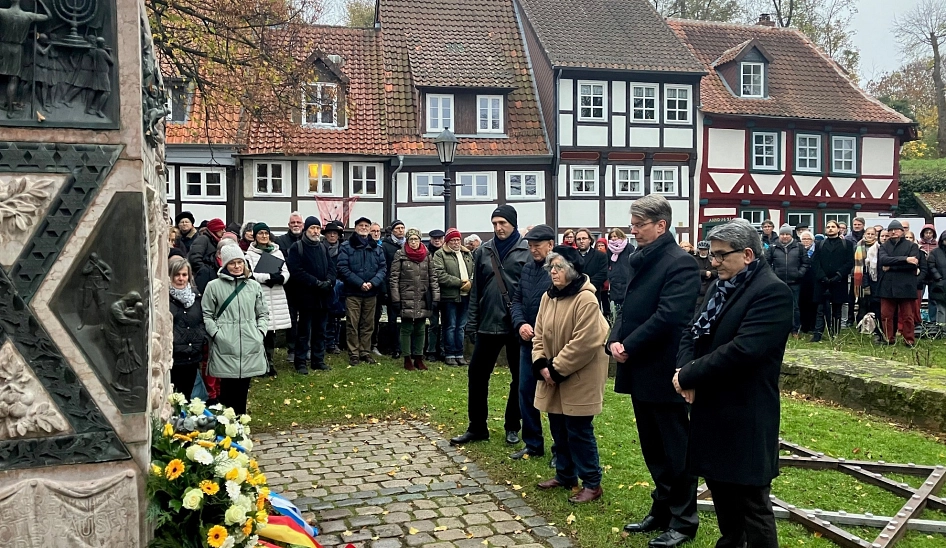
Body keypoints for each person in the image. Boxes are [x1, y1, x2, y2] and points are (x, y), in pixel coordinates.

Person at [674, 219, 792, 548]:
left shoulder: (771, 292)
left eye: (721, 256)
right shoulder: (721, 286)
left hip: (745, 411)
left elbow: (744, 350)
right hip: (711, 408)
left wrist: (688, 375)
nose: (714, 262)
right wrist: (684, 369)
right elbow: (693, 330)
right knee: (721, 490)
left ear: (748, 254)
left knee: (751, 499)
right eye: (711, 255)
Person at [608, 195, 700, 547]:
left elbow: (669, 316)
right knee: (651, 445)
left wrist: (628, 345)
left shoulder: (680, 263)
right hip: (639, 367)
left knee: (675, 448)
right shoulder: (641, 258)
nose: (632, 231)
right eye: (631, 224)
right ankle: (661, 508)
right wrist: (614, 339)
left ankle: (683, 520)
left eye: (638, 224)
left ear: (661, 225)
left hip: (663, 368)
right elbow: (627, 308)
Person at [533, 246, 610, 504]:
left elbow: (585, 342)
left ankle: (592, 483)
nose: (553, 273)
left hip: (579, 375)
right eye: (551, 268)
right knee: (558, 427)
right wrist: (541, 363)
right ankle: (565, 475)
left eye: (558, 268)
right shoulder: (549, 297)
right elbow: (539, 334)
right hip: (552, 375)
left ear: (573, 271)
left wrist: (556, 369)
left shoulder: (586, 298)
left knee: (578, 430)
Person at [451, 205, 529, 447]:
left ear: (513, 223)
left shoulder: (526, 250)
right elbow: (476, 291)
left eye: (502, 223)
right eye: (494, 223)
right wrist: (471, 324)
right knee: (476, 374)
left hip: (516, 324)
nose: (498, 228)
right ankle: (477, 427)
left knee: (519, 377)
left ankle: (512, 426)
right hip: (488, 322)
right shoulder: (484, 251)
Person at [202, 245, 268, 415]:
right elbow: (207, 314)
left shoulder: (253, 286)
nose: (237, 266)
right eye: (232, 263)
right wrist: (217, 334)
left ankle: (241, 424)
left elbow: (262, 312)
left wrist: (260, 332)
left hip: (249, 343)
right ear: (225, 265)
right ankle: (228, 426)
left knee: (243, 389)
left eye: (240, 262)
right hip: (226, 344)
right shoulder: (213, 286)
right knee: (227, 390)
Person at [510, 224, 555, 461]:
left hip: (552, 344)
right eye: (530, 246)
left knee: (557, 399)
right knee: (525, 392)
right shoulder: (528, 268)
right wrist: (520, 324)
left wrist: (540, 329)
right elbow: (517, 300)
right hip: (528, 342)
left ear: (550, 245)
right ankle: (533, 443)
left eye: (537, 246)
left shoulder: (559, 270)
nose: (533, 250)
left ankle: (561, 450)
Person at [286, 216, 336, 373]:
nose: (315, 231)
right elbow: (296, 271)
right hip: (306, 297)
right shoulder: (297, 247)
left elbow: (332, 268)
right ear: (305, 230)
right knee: (304, 331)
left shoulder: (323, 247)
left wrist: (329, 281)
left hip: (323, 297)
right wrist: (315, 282)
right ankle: (300, 361)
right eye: (312, 228)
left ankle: (318, 360)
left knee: (320, 330)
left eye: (317, 228)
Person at [338, 216, 386, 365]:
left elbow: (382, 268)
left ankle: (365, 351)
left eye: (367, 226)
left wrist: (372, 283)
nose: (364, 228)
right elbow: (343, 268)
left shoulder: (376, 248)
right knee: (352, 323)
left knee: (368, 324)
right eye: (361, 225)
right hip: (353, 292)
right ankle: (354, 353)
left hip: (371, 293)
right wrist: (360, 283)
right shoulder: (346, 246)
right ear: (356, 228)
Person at [244, 222, 291, 375]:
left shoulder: (277, 252)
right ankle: (259, 364)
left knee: (272, 333)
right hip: (260, 294)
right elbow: (250, 274)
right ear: (255, 236)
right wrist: (268, 277)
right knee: (260, 331)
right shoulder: (249, 254)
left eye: (266, 233)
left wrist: (280, 278)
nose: (264, 236)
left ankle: (269, 362)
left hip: (276, 294)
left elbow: (286, 272)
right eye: (260, 233)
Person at [390, 228, 440, 371]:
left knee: (420, 328)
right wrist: (395, 298)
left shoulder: (427, 255)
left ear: (420, 240)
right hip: (406, 295)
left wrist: (436, 297)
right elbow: (394, 278)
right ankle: (407, 358)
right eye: (411, 239)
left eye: (416, 239)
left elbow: (433, 277)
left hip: (423, 296)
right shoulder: (400, 254)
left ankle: (418, 357)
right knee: (406, 327)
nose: (413, 242)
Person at [434, 227, 474, 366]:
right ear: (448, 241)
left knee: (461, 326)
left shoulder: (467, 254)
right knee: (450, 325)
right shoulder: (440, 254)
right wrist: (459, 283)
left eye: (458, 240)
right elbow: (440, 274)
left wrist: (471, 283)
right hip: (449, 296)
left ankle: (459, 353)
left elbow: (474, 272)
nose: (456, 242)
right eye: (453, 240)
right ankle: (450, 354)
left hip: (465, 296)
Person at [809, 220, 853, 342]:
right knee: (820, 309)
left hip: (839, 281)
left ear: (839, 229)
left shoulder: (847, 244)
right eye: (828, 227)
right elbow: (815, 262)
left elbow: (849, 262)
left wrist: (839, 275)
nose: (830, 229)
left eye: (833, 227)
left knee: (837, 308)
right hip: (822, 281)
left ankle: (835, 333)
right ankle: (817, 333)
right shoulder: (820, 244)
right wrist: (822, 276)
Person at [878, 220, 921, 346]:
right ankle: (888, 338)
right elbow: (883, 260)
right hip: (888, 286)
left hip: (906, 285)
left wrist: (891, 266)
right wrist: (905, 259)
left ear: (902, 231)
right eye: (891, 230)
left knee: (908, 316)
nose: (893, 232)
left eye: (896, 229)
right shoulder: (884, 246)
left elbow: (912, 266)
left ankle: (909, 340)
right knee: (886, 315)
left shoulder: (911, 246)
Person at [168, 256, 206, 399]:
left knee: (186, 396)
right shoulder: (164, 298)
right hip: (173, 356)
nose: (181, 278)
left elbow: (201, 320)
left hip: (192, 355)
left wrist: (201, 339)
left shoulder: (196, 297)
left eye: (184, 275)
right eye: (177, 275)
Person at [766, 224, 809, 337]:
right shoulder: (772, 247)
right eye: (782, 234)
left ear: (791, 235)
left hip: (795, 282)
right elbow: (767, 263)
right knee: (777, 306)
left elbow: (805, 263)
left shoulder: (799, 247)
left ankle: (795, 330)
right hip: (778, 282)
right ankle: (778, 329)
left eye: (787, 234)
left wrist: (799, 274)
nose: (784, 236)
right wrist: (772, 275)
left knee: (795, 307)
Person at [382, 220, 407, 358]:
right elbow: (384, 268)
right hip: (392, 287)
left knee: (406, 319)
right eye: (397, 228)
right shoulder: (386, 246)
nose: (400, 230)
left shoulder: (407, 245)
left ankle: (405, 347)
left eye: (402, 228)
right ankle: (394, 347)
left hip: (406, 288)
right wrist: (385, 289)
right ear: (392, 231)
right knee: (392, 319)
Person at [323, 221, 345, 354]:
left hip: (340, 286)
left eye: (335, 233)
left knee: (337, 316)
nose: (332, 235)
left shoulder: (343, 249)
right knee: (324, 316)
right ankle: (324, 342)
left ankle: (334, 343)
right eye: (330, 233)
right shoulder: (320, 248)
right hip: (324, 285)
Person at [188, 218, 227, 293]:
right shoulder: (203, 239)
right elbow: (194, 257)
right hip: (204, 278)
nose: (224, 231)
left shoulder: (214, 241)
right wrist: (205, 271)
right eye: (221, 229)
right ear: (215, 229)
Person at [425, 229, 447, 362]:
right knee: (433, 324)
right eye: (435, 238)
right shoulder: (426, 253)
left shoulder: (447, 252)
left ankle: (443, 350)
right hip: (430, 293)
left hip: (446, 293)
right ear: (431, 239)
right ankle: (431, 350)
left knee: (446, 323)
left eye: (439, 238)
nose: (437, 240)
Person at [854, 227, 881, 328]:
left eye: (872, 234)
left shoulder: (878, 246)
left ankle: (874, 325)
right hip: (860, 277)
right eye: (868, 234)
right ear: (864, 234)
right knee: (862, 303)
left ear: (875, 235)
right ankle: (861, 324)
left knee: (874, 303)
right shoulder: (858, 245)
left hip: (874, 278)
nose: (870, 236)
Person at [606, 228, 634, 320]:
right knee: (616, 304)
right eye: (611, 236)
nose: (613, 238)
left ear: (620, 236)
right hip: (615, 279)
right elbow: (608, 263)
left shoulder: (629, 247)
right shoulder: (609, 249)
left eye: (615, 236)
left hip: (627, 278)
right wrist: (610, 273)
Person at [798, 232, 817, 333]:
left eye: (808, 239)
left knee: (813, 304)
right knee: (802, 303)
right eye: (803, 239)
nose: (806, 241)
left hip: (814, 280)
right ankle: (804, 326)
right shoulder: (798, 250)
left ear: (812, 240)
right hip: (802, 280)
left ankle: (813, 326)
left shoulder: (817, 250)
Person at [693, 241, 717, 311]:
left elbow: (718, 271)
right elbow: (692, 271)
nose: (703, 252)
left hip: (710, 288)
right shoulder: (693, 259)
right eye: (701, 250)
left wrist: (711, 273)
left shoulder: (712, 259)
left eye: (705, 250)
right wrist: (704, 273)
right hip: (698, 289)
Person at [929, 230, 946, 324]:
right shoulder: (935, 252)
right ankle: (942, 329)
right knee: (941, 309)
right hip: (939, 285)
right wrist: (938, 278)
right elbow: (931, 265)